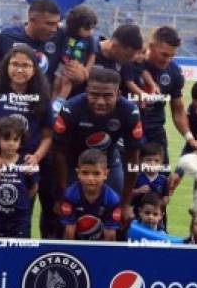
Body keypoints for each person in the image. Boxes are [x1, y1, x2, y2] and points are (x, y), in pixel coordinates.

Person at [0, 45, 53, 238]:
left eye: (26, 65)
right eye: (14, 64)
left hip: (25, 168)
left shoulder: (42, 96)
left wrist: (36, 157)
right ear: (6, 66)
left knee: (21, 219)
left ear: (34, 69)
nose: (19, 69)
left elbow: (47, 136)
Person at [53, 67, 143, 223]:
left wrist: (126, 203)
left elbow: (132, 159)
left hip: (109, 161)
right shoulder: (70, 109)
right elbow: (58, 152)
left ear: (118, 94)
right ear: (87, 92)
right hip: (73, 163)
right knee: (65, 218)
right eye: (94, 95)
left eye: (108, 96)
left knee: (117, 218)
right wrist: (62, 193)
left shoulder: (130, 112)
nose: (101, 102)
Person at [129, 27, 194, 169]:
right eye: (164, 54)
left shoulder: (174, 72)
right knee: (128, 180)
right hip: (127, 131)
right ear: (151, 46)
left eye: (172, 56)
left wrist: (189, 137)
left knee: (159, 182)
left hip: (155, 134)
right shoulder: (130, 62)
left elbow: (178, 110)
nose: (168, 60)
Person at [0, 117, 39, 238]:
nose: (11, 143)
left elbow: (33, 188)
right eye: (6, 139)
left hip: (20, 220)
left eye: (15, 139)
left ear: (21, 141)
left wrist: (21, 201)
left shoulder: (26, 162)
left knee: (20, 251)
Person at [0, 0, 67, 82]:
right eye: (50, 24)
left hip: (46, 95)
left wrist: (81, 74)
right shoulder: (5, 38)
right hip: (15, 95)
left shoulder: (61, 36)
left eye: (57, 24)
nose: (54, 29)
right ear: (32, 20)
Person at [59, 149, 122, 241]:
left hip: (101, 243)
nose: (90, 178)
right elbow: (69, 230)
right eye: (85, 173)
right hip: (76, 241)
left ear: (105, 174)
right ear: (78, 173)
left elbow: (110, 235)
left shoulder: (112, 199)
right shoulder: (70, 195)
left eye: (96, 173)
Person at [52, 5, 97, 102]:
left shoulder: (89, 39)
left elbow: (92, 55)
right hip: (63, 63)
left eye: (92, 28)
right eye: (87, 29)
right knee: (56, 83)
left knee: (67, 82)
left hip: (76, 65)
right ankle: (52, 103)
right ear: (76, 26)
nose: (90, 32)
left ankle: (59, 102)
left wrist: (86, 71)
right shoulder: (65, 32)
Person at [130, 143, 170, 221]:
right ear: (141, 161)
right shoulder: (136, 177)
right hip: (137, 216)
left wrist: (160, 201)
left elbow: (166, 197)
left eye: (156, 161)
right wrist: (138, 191)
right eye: (148, 160)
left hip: (155, 218)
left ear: (161, 163)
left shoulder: (163, 180)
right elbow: (127, 194)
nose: (152, 163)